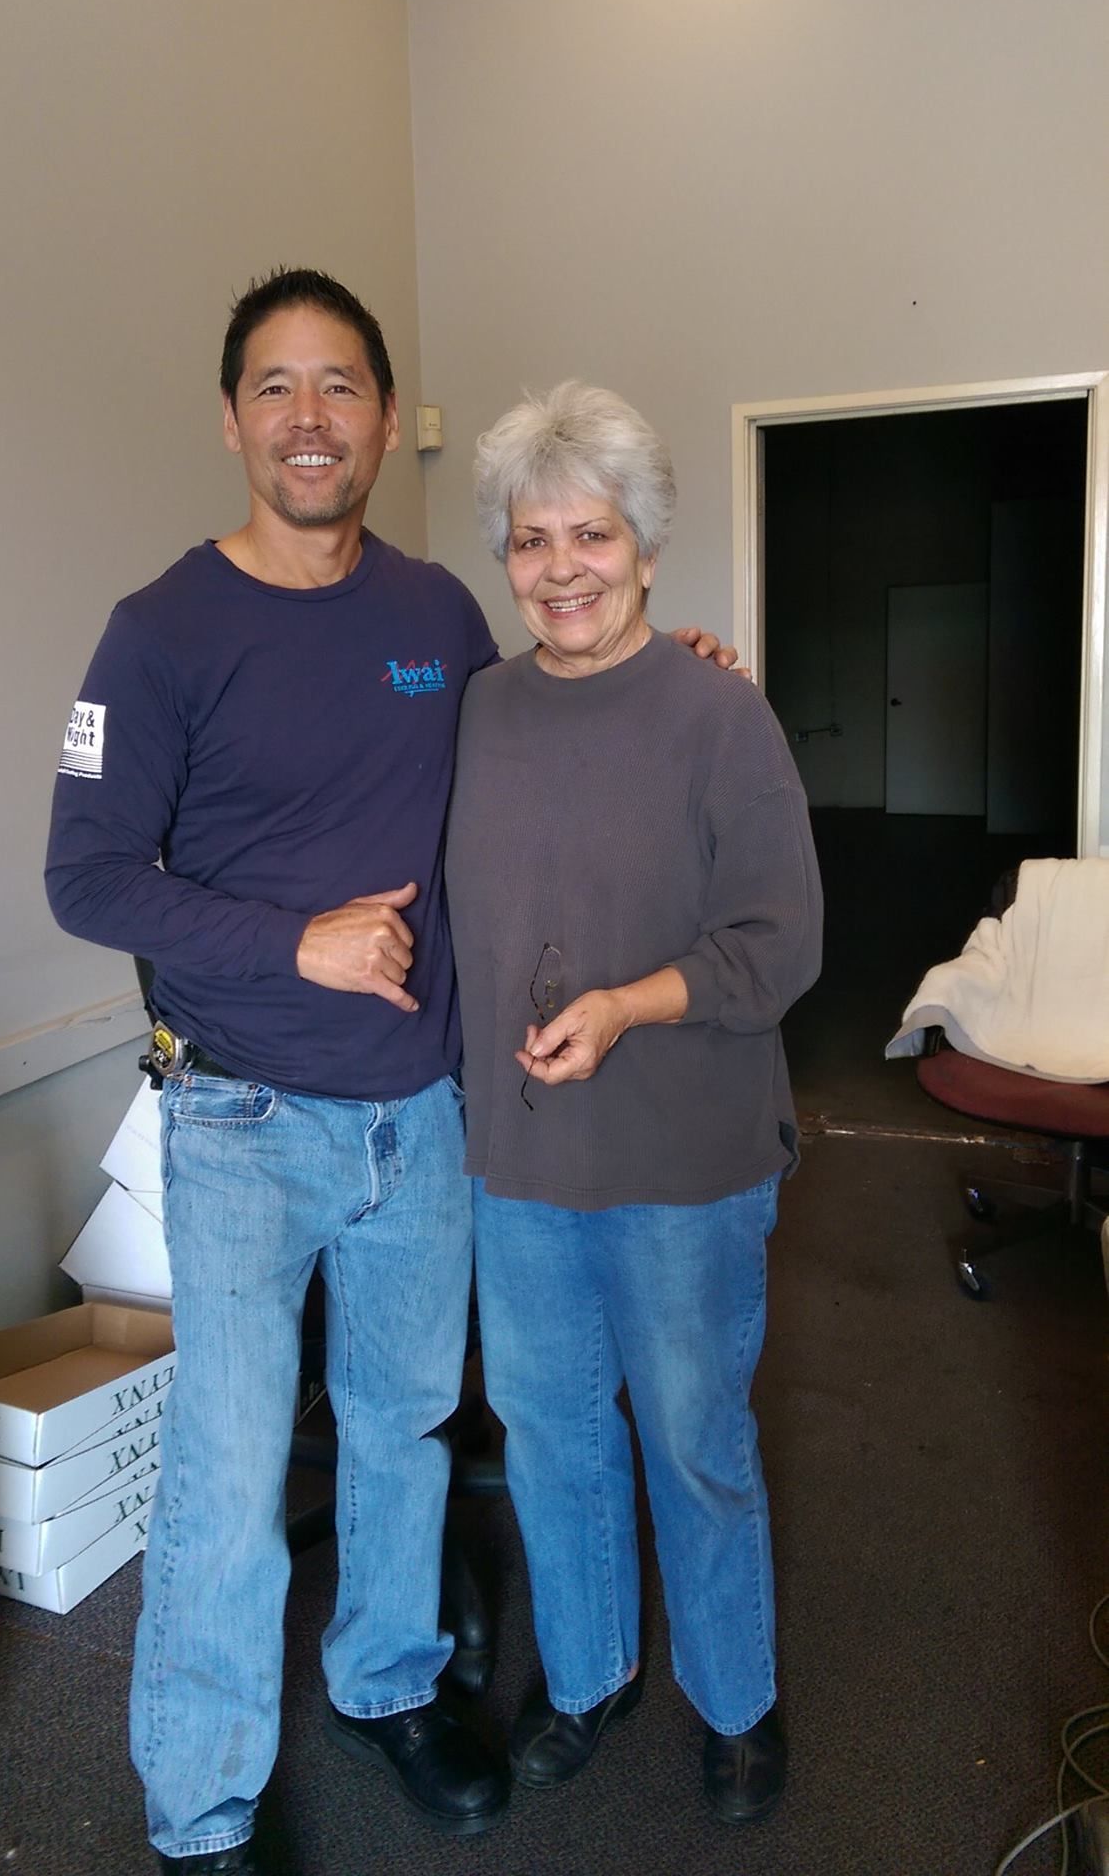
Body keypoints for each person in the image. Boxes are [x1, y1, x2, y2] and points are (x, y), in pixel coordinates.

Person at [44, 272, 739, 1874]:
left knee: (403, 1424)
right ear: (232, 421)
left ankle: (383, 1680)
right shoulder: (158, 633)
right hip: (240, 1116)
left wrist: (668, 662)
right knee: (224, 1474)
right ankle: (202, 1803)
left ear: (379, 417)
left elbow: (550, 716)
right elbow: (85, 878)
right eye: (276, 388)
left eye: (340, 385)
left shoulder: (434, 616)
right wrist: (294, 943)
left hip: (422, 1118)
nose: (309, 418)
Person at [445, 382, 822, 1827]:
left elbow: (781, 942)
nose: (560, 569)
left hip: (685, 1161)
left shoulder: (719, 714)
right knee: (550, 1433)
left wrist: (623, 1006)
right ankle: (590, 1673)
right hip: (521, 1161)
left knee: (694, 1442)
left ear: (646, 547)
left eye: (589, 534)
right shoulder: (477, 710)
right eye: (530, 540)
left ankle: (735, 1703)